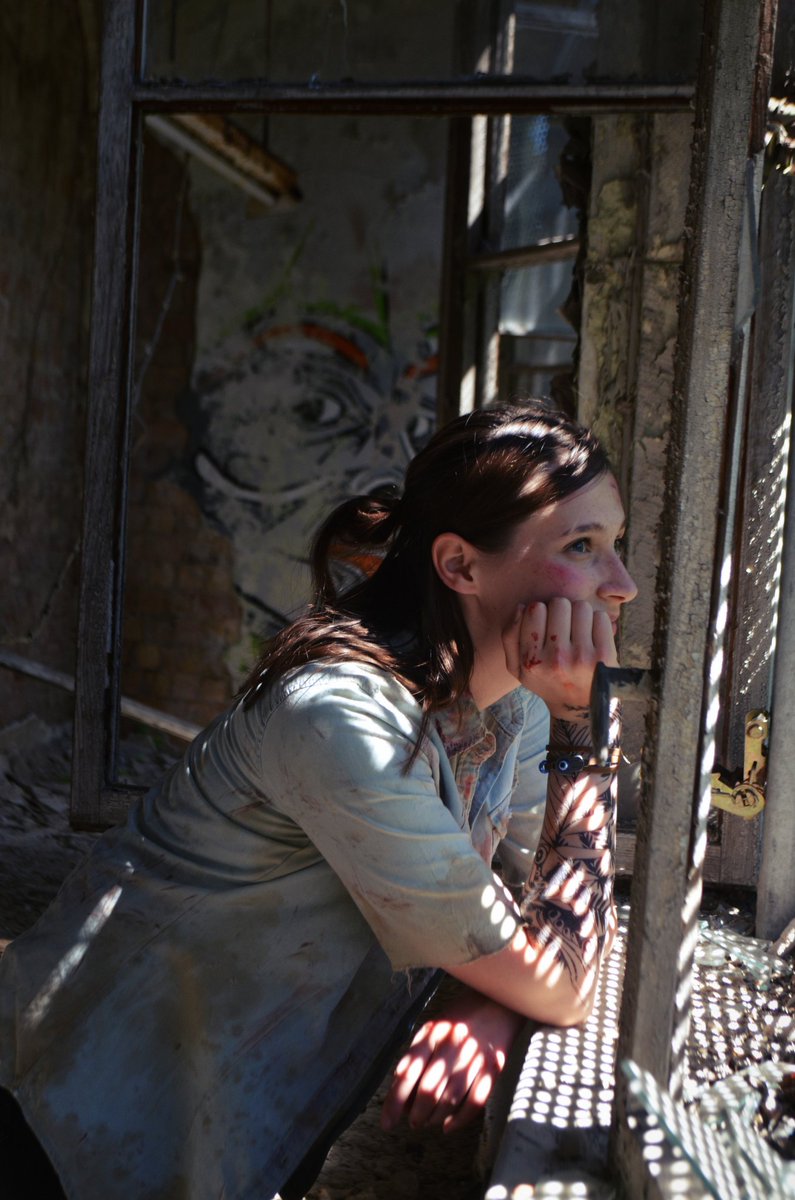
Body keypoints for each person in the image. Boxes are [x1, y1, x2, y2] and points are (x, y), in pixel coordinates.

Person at [0, 400, 637, 1200]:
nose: (621, 585)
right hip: (63, 1119)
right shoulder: (342, 720)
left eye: (615, 544)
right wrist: (585, 733)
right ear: (460, 566)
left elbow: (542, 911)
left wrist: (488, 1002)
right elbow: (560, 977)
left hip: (217, 1133)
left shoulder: (515, 705)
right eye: (581, 547)